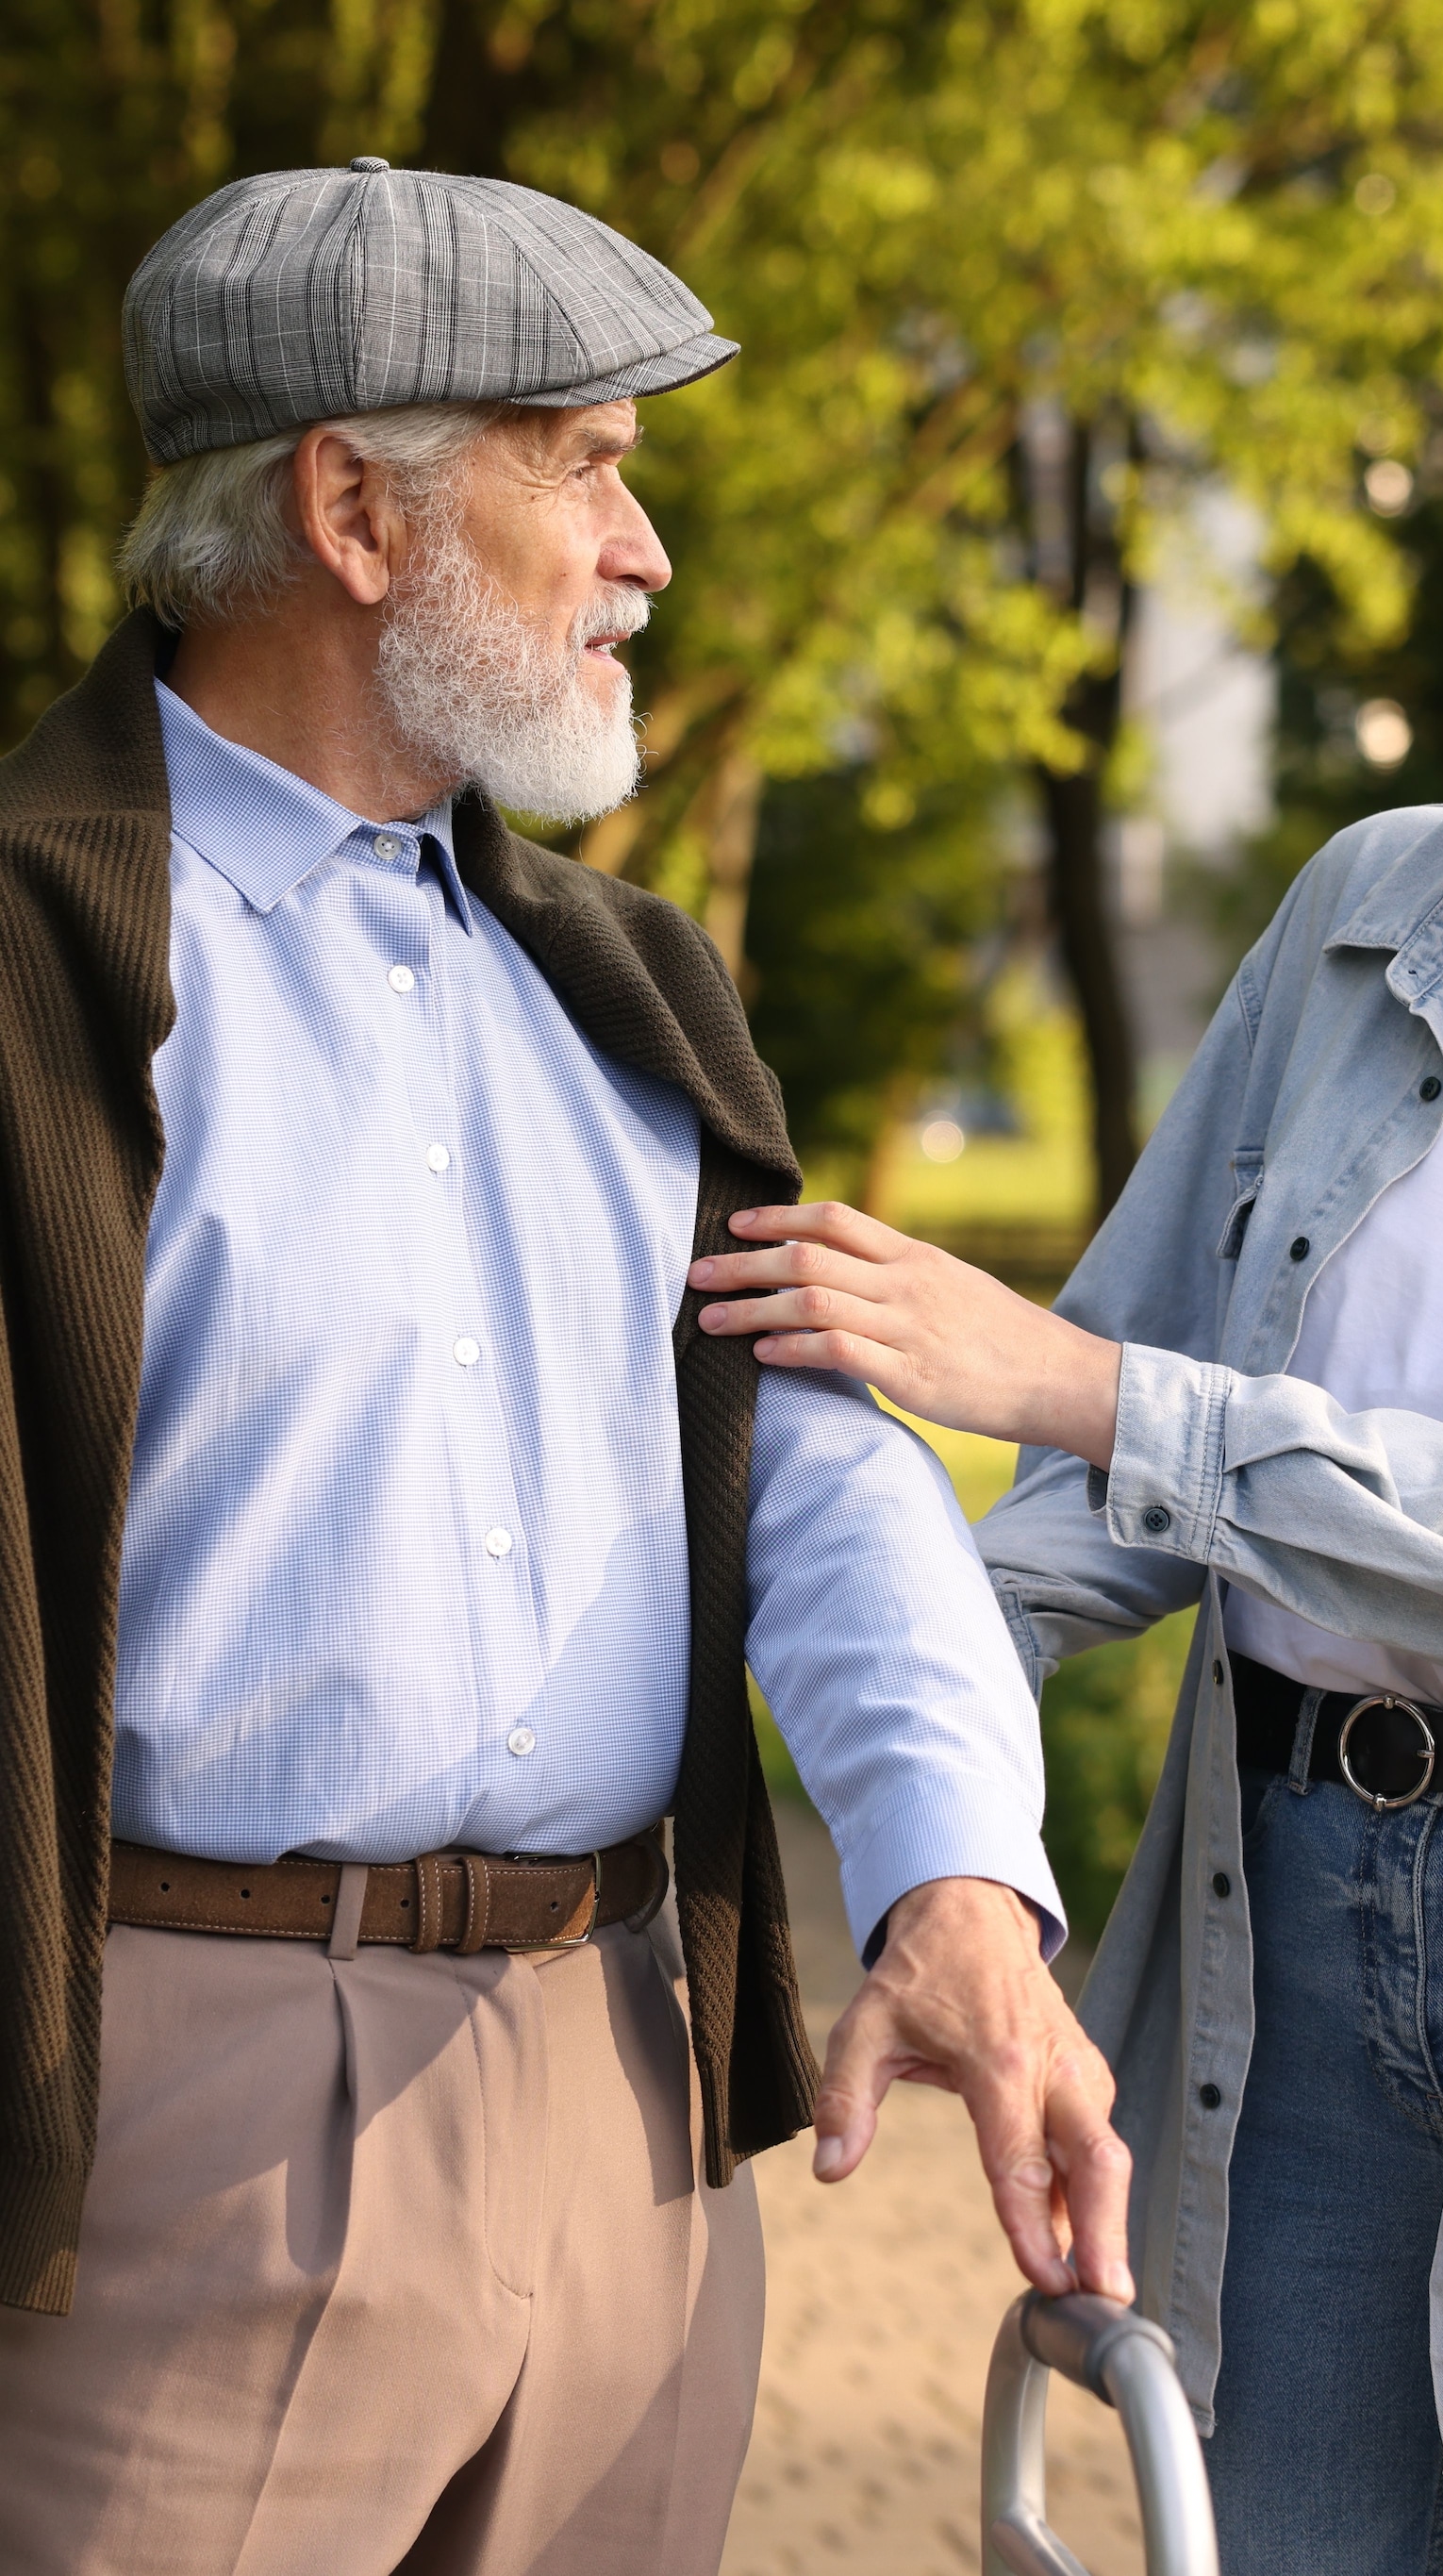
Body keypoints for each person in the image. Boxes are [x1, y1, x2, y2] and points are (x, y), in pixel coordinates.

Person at [689, 283, 1443, 2575]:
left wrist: (1084, 1385)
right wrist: (873, 1747)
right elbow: (1102, 1507)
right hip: (1282, 1975)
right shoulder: (1371, 907)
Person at [0, 158, 1132, 2576]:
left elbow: (818, 1470)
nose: (649, 556)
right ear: (353, 512)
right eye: (591, 465)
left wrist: (949, 1878)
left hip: (626, 2097)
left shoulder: (629, 983)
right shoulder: (29, 954)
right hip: (172, 2107)